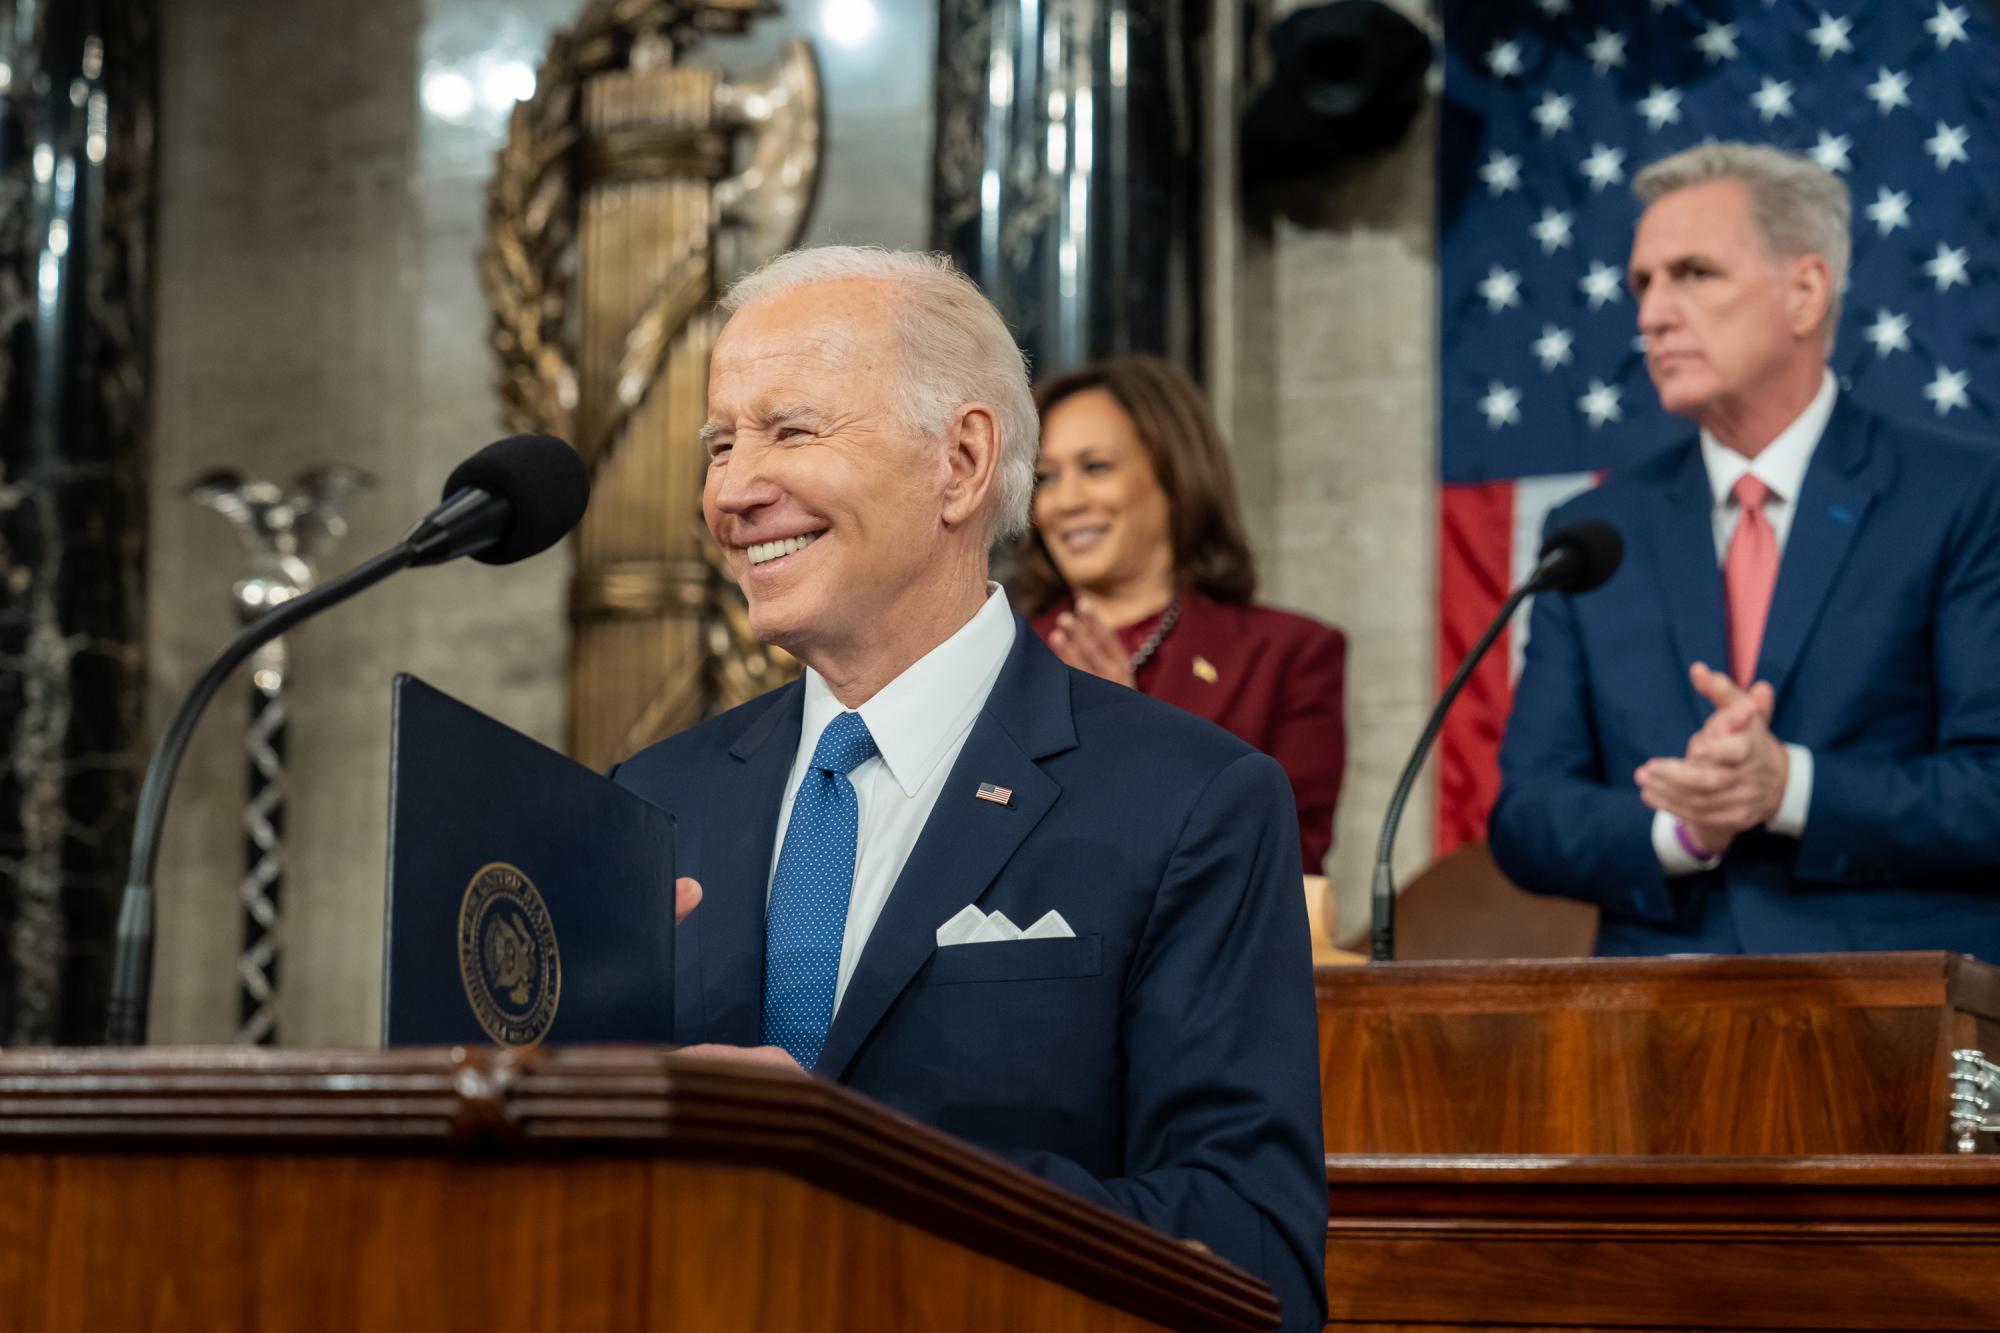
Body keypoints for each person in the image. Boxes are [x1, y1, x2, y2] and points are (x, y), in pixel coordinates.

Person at [609, 248, 1328, 1328]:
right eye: (720, 443)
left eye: (790, 431)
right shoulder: (649, 801)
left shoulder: (1192, 801)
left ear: (960, 461)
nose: (732, 489)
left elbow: (1252, 1249)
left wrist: (859, 1168)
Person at [1490, 142, 2000, 959]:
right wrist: (1681, 830)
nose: (1652, 313)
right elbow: (1527, 814)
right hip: (1654, 1019)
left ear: (1804, 292)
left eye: (1693, 274)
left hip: (1893, 1001)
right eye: (1642, 283)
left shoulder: (1965, 494)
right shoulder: (1593, 532)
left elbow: (1991, 786)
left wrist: (1789, 786)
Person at [1014, 356, 1347, 873]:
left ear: (1174, 474)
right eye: (1046, 478)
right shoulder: (1002, 653)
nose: (1065, 501)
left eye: (1095, 467)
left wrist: (1123, 731)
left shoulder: (1290, 653)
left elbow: (1283, 862)